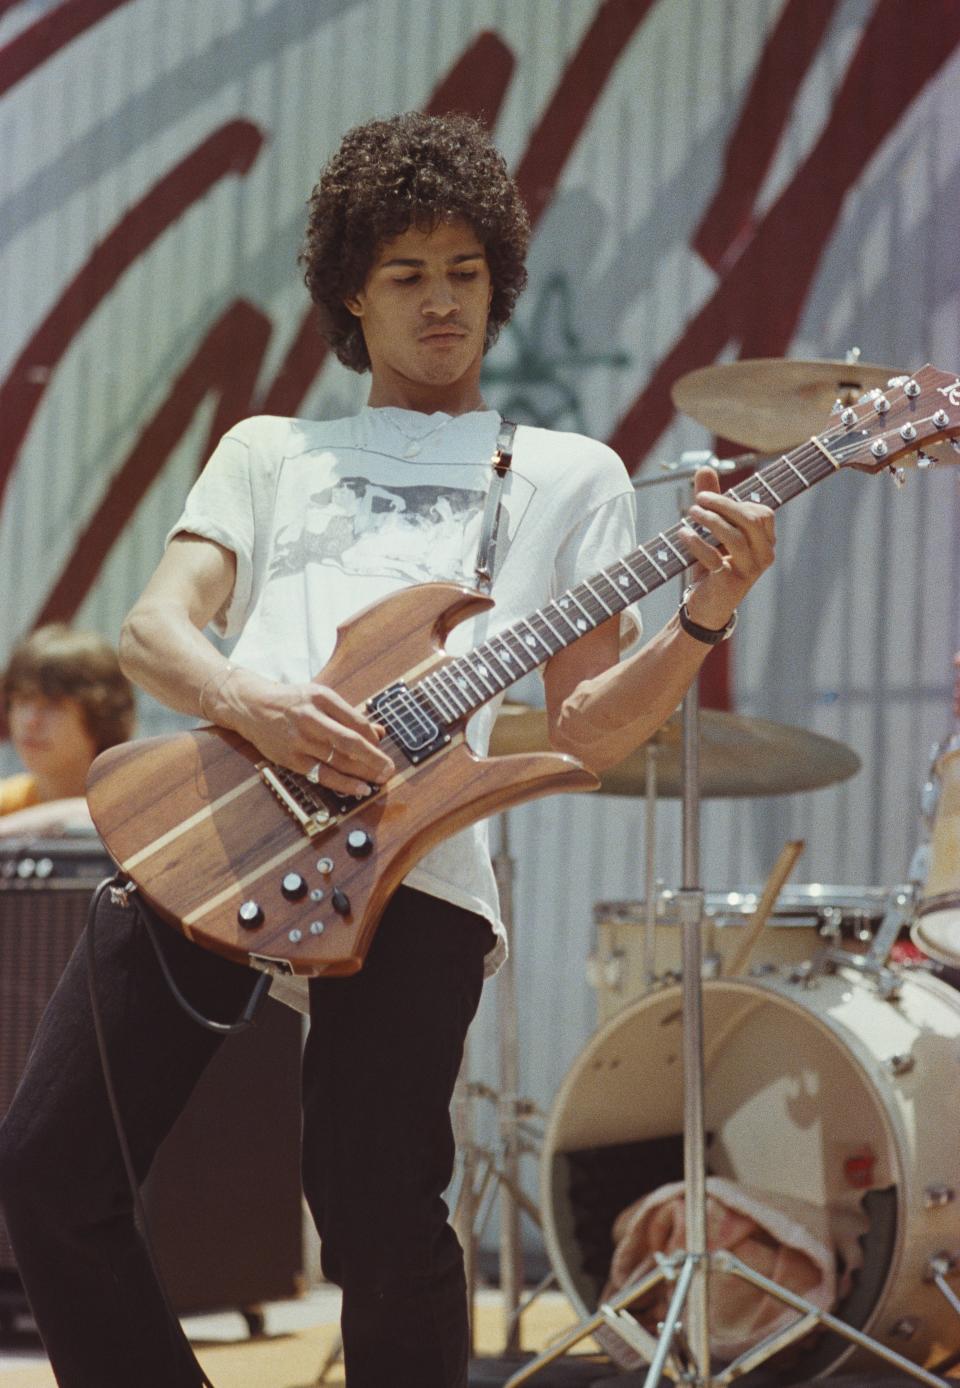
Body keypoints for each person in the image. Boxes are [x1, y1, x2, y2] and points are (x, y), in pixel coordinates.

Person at [0, 113, 775, 1388]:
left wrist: (705, 616)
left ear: (500, 284)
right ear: (350, 291)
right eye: (408, 274)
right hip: (223, 814)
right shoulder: (272, 449)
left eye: (466, 272)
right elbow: (154, 630)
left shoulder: (567, 473)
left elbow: (586, 725)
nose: (442, 302)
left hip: (414, 862)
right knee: (46, 1171)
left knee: (377, 1210)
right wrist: (259, 704)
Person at [0, 623, 135, 837]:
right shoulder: (7, 802)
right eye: (23, 700)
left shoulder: (137, 803)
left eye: (53, 704)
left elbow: (87, 813)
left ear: (100, 714)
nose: (30, 721)